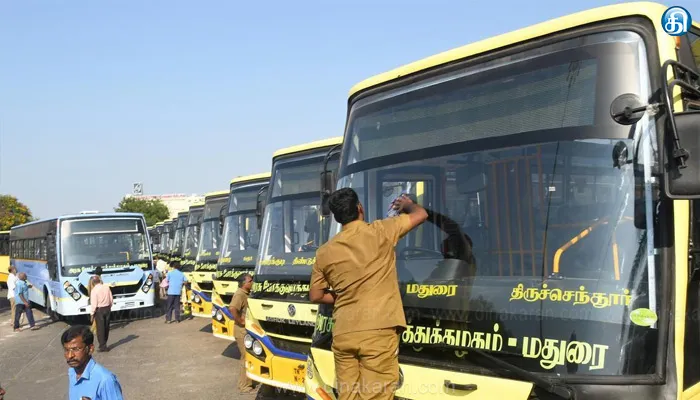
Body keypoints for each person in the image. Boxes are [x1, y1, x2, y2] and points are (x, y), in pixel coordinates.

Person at [309, 188, 427, 399]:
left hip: (344, 332)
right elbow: (421, 214)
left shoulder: (324, 251)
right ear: (360, 208)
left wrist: (345, 296)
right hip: (377, 330)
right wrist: (408, 205)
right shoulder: (381, 230)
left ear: (337, 218)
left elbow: (316, 295)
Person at [62, 325, 123, 400]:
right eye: (66, 350)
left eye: (76, 349)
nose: (70, 355)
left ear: (90, 349)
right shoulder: (72, 372)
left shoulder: (105, 380)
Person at [229, 273, 256, 394]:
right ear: (244, 283)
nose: (252, 282)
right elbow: (232, 308)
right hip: (241, 331)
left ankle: (246, 383)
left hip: (246, 331)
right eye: (250, 281)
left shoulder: (246, 293)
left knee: (248, 357)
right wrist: (240, 320)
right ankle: (244, 386)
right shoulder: (239, 294)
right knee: (246, 357)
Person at [89, 276, 113, 352]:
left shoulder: (94, 290)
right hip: (107, 308)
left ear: (93, 282)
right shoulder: (106, 287)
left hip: (99, 310)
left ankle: (103, 346)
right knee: (106, 327)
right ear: (99, 281)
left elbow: (94, 304)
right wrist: (110, 306)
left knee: (100, 329)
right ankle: (104, 343)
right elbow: (111, 298)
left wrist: (92, 314)